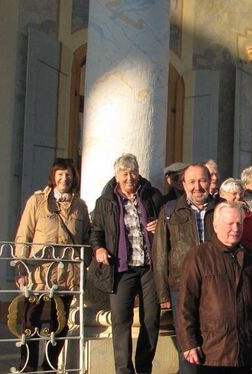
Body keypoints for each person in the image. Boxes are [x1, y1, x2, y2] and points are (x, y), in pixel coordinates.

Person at [14, 158, 91, 372]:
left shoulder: (80, 206)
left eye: (68, 174)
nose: (64, 178)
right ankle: (27, 366)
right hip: (39, 273)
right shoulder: (37, 201)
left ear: (73, 177)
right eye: (60, 174)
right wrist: (21, 266)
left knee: (61, 323)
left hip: (67, 274)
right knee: (31, 321)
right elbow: (24, 234)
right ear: (53, 176)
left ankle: (50, 364)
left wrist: (86, 263)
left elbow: (86, 238)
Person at [90, 153, 162, 374]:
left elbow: (168, 222)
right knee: (121, 320)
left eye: (133, 172)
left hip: (150, 267)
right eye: (124, 173)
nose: (129, 177)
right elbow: (96, 232)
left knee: (151, 319)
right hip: (121, 268)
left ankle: (144, 367)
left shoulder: (152, 195)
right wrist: (99, 249)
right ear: (117, 175)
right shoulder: (105, 201)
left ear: (138, 173)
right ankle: (124, 370)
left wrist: (161, 224)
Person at [177, 202, 252, 372]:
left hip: (245, 351)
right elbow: (185, 305)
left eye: (239, 223)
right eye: (230, 224)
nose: (235, 228)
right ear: (216, 225)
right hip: (212, 352)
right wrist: (189, 343)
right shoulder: (199, 256)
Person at [152, 163, 216, 374]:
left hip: (215, 286)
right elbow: (160, 253)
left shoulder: (221, 209)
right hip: (181, 286)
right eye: (192, 181)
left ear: (210, 182)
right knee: (188, 346)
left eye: (202, 181)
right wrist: (162, 293)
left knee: (213, 343)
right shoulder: (170, 211)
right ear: (183, 184)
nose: (197, 186)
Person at [219, 178, 252, 254]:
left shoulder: (249, 214)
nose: (238, 197)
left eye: (241, 194)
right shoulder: (219, 215)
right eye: (234, 193)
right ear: (223, 195)